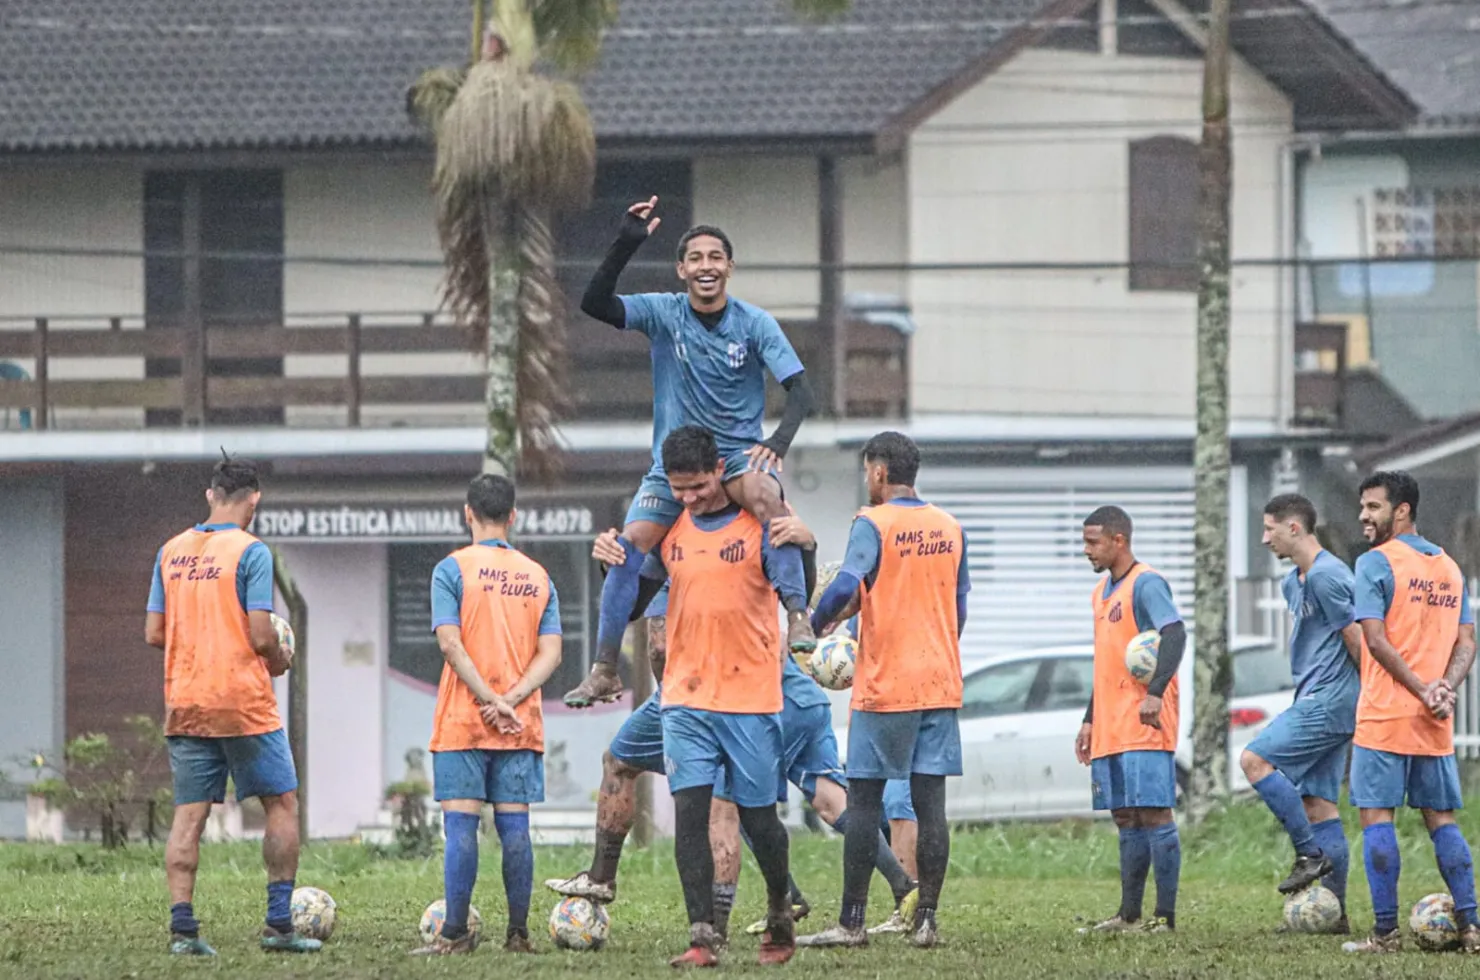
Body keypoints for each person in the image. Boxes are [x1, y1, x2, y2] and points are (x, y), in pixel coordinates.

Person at [548, 505, 916, 947]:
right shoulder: (727, 530)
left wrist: (677, 703)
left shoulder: (680, 548)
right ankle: (902, 888)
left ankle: (712, 925)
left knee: (721, 802)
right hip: (799, 697)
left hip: (723, 695)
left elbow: (662, 644)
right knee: (826, 800)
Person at [563, 197, 816, 709]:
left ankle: (798, 617)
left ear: (729, 267)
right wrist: (625, 243)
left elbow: (802, 391)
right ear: (681, 269)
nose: (706, 266)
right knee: (627, 546)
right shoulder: (663, 312)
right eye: (695, 258)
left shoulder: (755, 323)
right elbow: (594, 303)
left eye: (715, 257)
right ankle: (605, 669)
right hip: (673, 464)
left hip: (735, 455)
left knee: (771, 503)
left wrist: (776, 443)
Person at [144, 454, 319, 956]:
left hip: (186, 702)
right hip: (242, 703)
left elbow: (155, 632)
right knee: (281, 804)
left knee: (189, 817)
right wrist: (280, 659)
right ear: (255, 500)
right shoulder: (251, 552)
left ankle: (183, 931)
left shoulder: (170, 550)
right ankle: (279, 926)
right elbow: (262, 634)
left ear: (210, 496)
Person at [801, 431, 970, 949]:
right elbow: (960, 605)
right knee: (931, 805)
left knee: (867, 802)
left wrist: (815, 624)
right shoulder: (949, 525)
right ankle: (927, 922)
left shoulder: (871, 523)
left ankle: (852, 923)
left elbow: (849, 584)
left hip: (887, 686)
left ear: (878, 472)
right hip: (939, 682)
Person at [410, 474, 564, 955]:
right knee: (514, 828)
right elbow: (552, 654)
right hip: (520, 726)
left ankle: (454, 934)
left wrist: (487, 699)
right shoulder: (538, 575)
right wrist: (511, 700)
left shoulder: (451, 569)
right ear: (513, 516)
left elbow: (449, 643)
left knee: (461, 826)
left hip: (463, 720)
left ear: (467, 513)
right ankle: (518, 935)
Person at [1341, 471, 1479, 954]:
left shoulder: (1374, 563)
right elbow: (1467, 644)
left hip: (1385, 715)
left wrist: (1423, 689)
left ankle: (1385, 934)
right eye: (1363, 506)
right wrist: (1444, 690)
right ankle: (1471, 929)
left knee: (1377, 818)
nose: (1364, 515)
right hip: (1433, 721)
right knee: (1441, 820)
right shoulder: (1449, 567)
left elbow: (1375, 641)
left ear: (1401, 510)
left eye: (1373, 507)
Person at [1242, 494, 1360, 931]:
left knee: (1254, 759)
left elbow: (1357, 638)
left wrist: (1374, 699)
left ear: (1295, 528)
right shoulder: (1293, 581)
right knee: (1319, 805)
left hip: (1332, 699)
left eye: (1270, 528)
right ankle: (1335, 917)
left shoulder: (1331, 575)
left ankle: (1308, 853)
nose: (1264, 538)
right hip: (1312, 693)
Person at [1074, 505, 1185, 935]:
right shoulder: (1100, 593)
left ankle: (1165, 918)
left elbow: (1174, 633)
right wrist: (1089, 719)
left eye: (1093, 542)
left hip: (1144, 721)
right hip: (1110, 723)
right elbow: (1106, 664)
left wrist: (1155, 693)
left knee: (1154, 814)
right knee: (1124, 817)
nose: (1086, 550)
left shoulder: (1147, 583)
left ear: (1119, 540)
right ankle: (1129, 915)